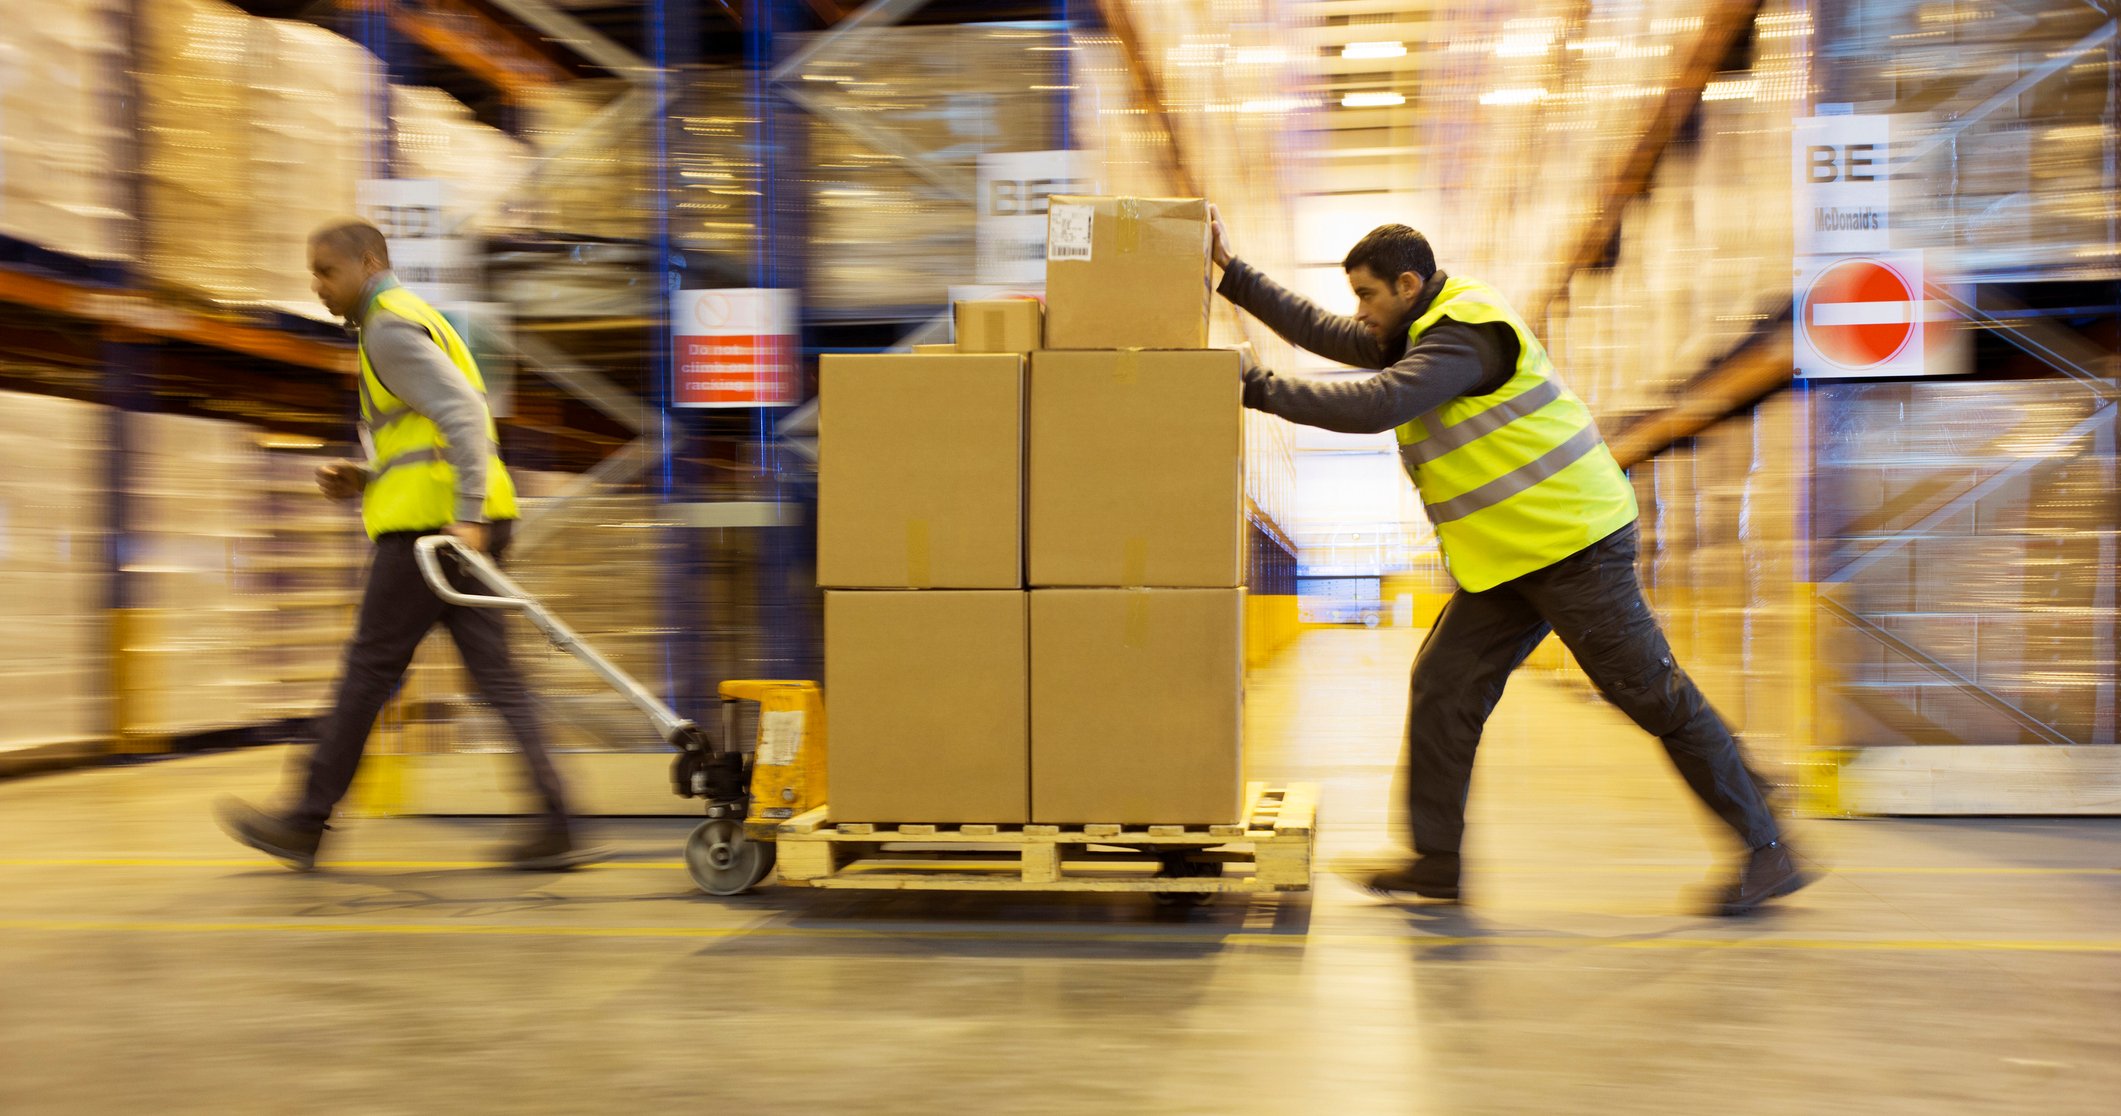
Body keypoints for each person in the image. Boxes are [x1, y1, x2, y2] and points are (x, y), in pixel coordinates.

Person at [1209, 209, 1808, 915]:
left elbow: (1383, 403)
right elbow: (1327, 332)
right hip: (1513, 557)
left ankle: (1766, 850)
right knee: (1443, 684)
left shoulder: (1466, 333)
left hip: (1572, 542)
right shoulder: (1412, 328)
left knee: (1647, 692)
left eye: (1367, 297)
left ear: (1407, 285)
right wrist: (1230, 272)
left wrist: (1260, 389)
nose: (1359, 314)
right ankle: (1434, 864)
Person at [217, 218, 595, 872]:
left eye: (326, 271)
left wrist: (467, 518)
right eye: (312, 273)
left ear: (368, 263)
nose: (317, 286)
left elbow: (463, 416)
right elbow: (427, 436)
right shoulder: (412, 317)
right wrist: (366, 476)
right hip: (452, 521)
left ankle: (305, 820)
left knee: (366, 673)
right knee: (497, 680)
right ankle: (557, 819)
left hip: (432, 533)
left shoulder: (389, 327)